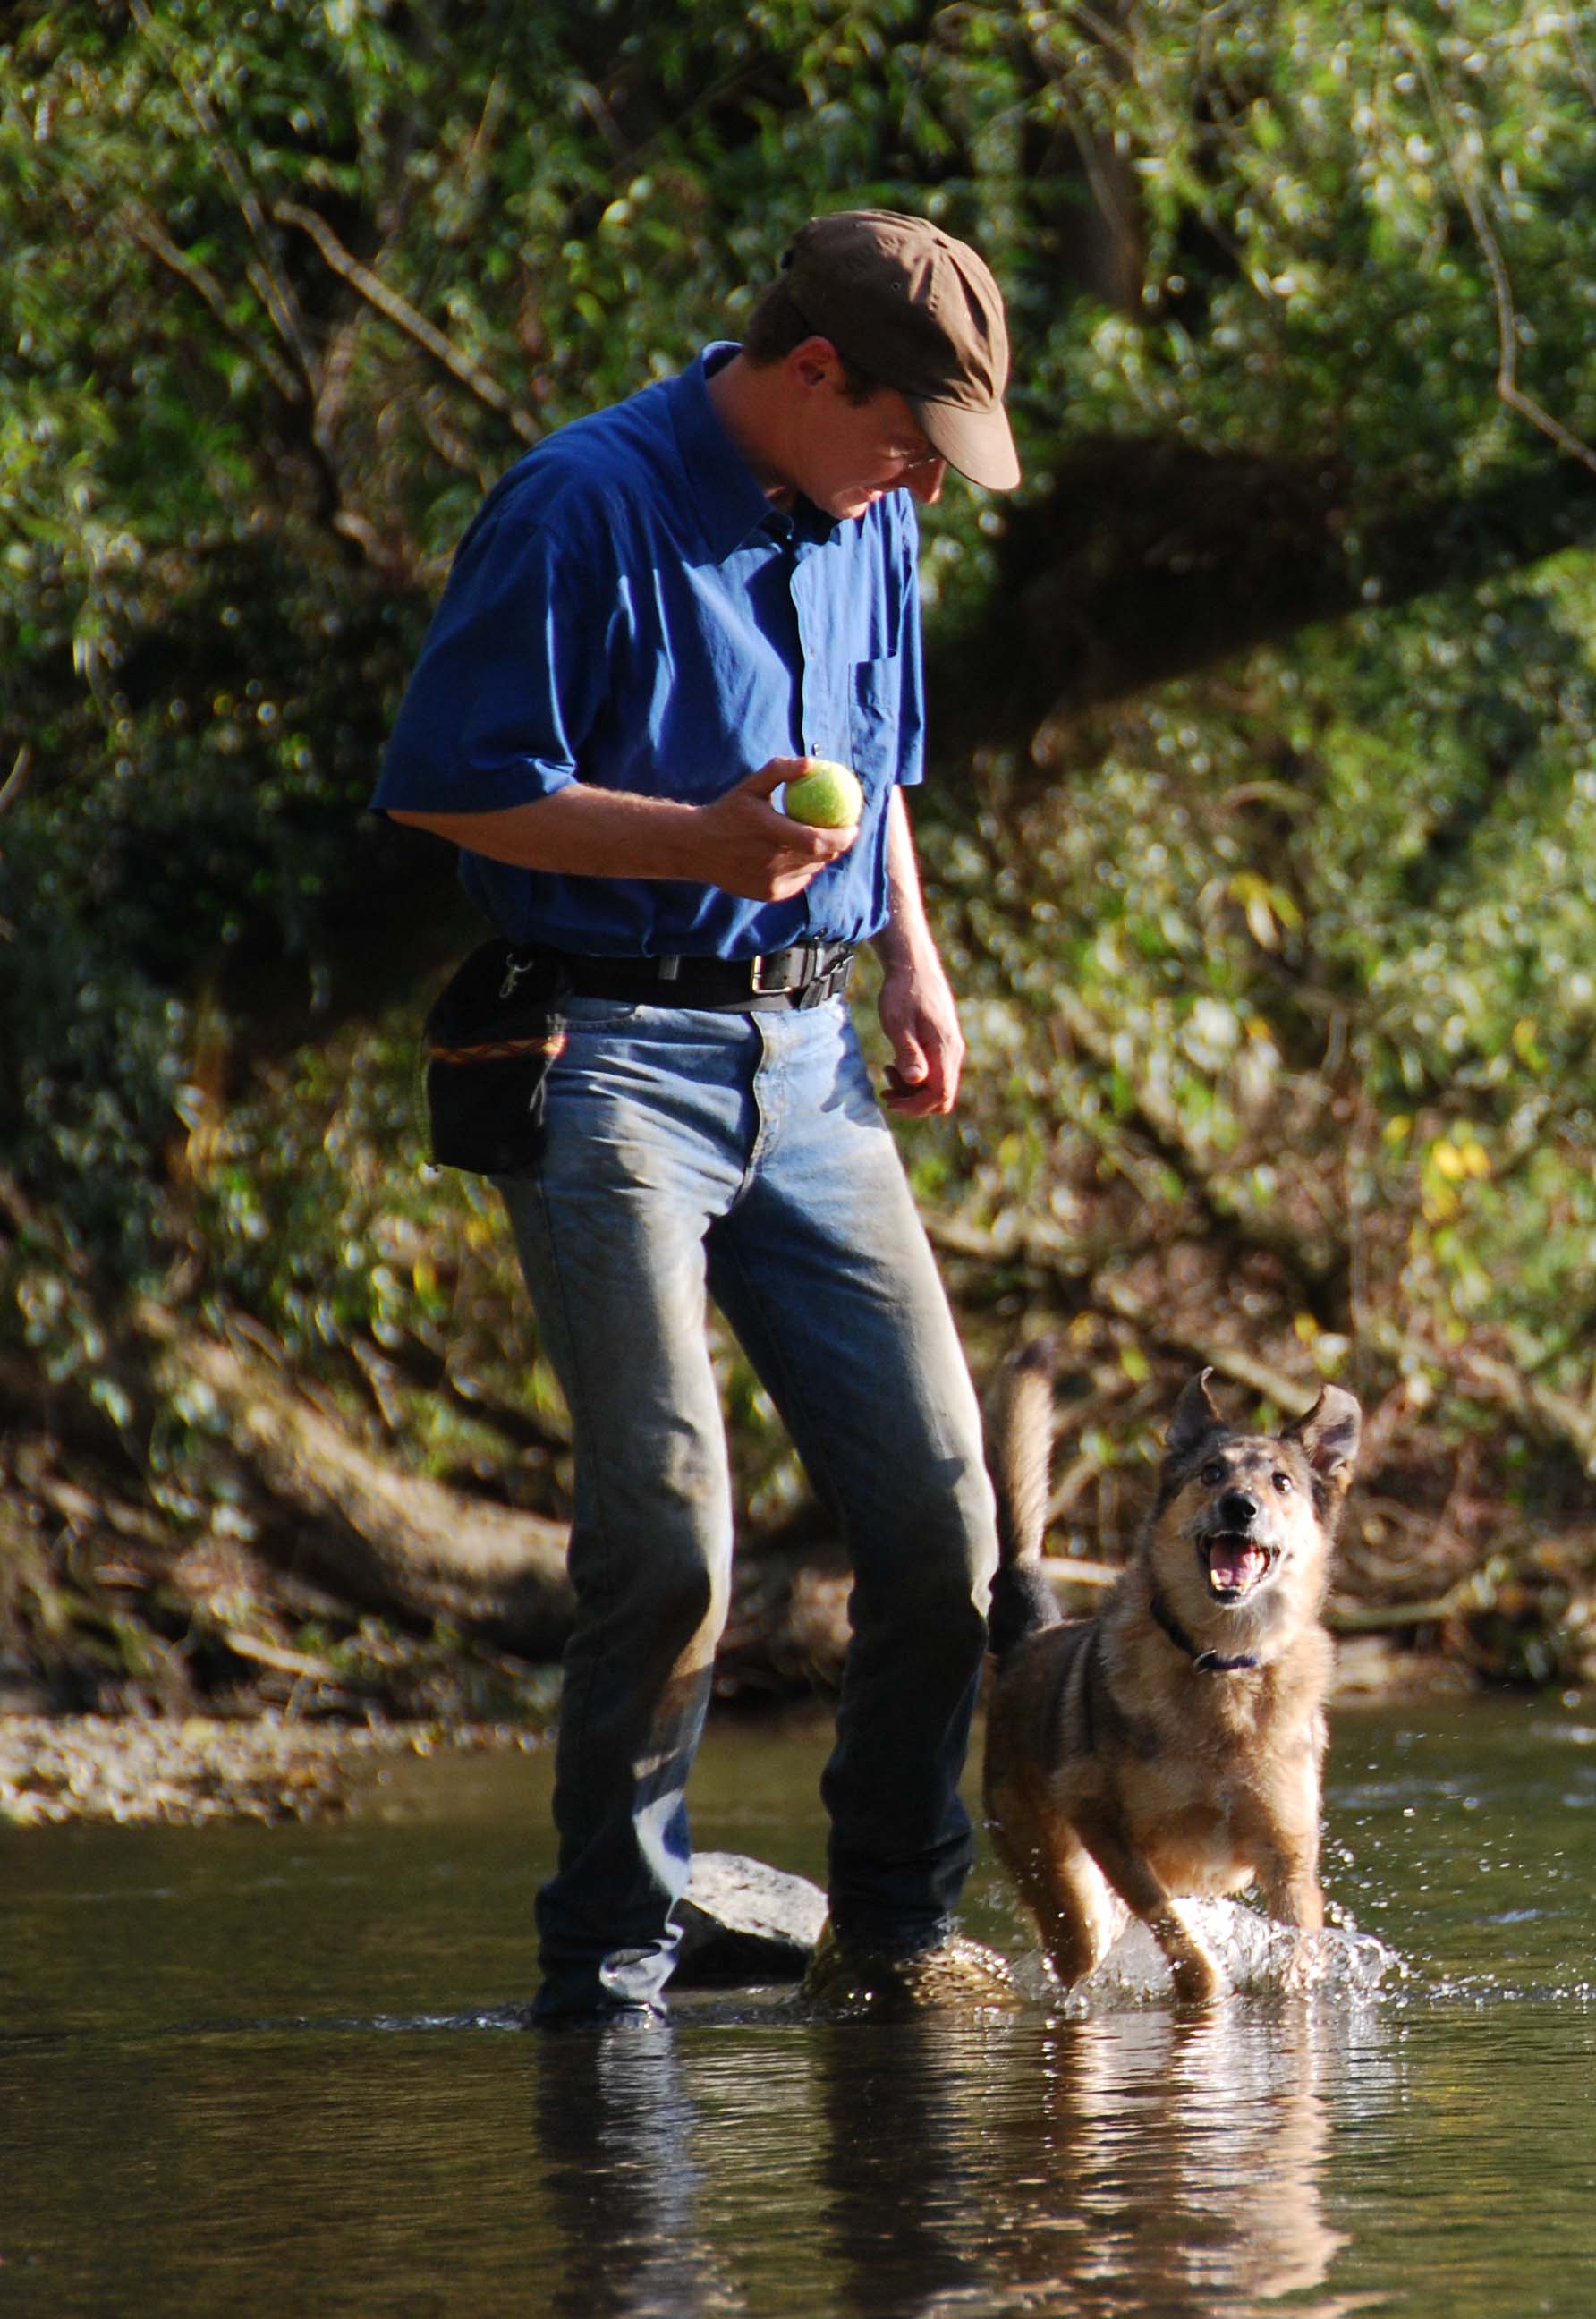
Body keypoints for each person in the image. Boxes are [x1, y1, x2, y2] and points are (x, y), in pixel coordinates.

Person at [376, 212, 1024, 2025]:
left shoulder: (873, 513)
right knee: (671, 1537)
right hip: (606, 1056)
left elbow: (877, 764)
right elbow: (453, 791)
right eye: (909, 438)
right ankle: (610, 1970)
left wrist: (913, 959)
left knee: (942, 1531)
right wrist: (708, 845)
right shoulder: (580, 503)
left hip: (814, 1068)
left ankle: (894, 1937)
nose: (923, 484)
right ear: (813, 373)